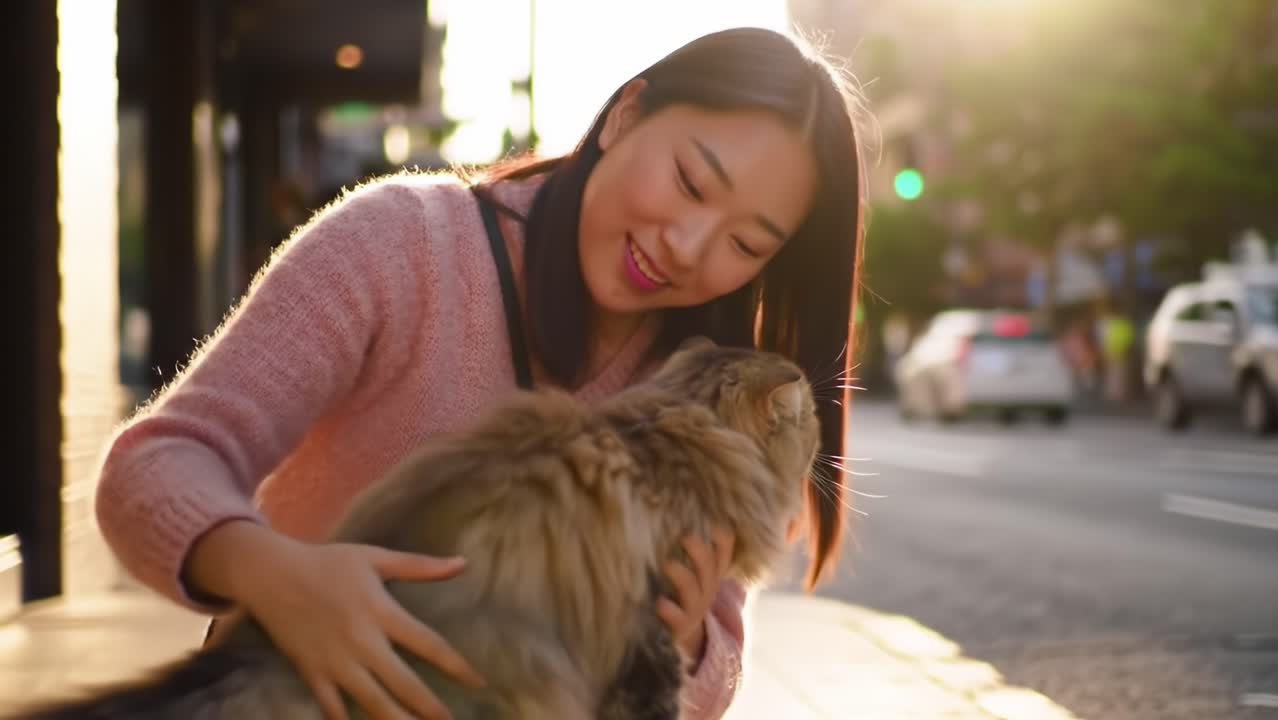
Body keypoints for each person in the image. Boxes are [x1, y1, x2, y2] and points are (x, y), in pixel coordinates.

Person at [94, 26, 867, 720]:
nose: (690, 246)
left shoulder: (709, 393)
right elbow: (154, 468)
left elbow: (714, 668)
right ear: (627, 113)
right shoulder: (404, 246)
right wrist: (280, 578)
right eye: (692, 183)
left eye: (746, 245)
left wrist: (687, 640)